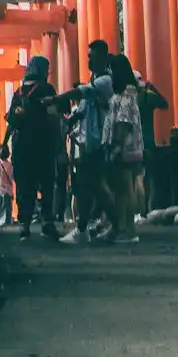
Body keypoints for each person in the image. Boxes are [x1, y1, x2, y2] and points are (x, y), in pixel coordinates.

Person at [5, 55, 64, 240]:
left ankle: (24, 224)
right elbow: (53, 117)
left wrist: (3, 143)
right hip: (43, 144)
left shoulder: (19, 92)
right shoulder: (46, 89)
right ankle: (47, 222)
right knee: (46, 182)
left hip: (21, 145)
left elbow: (11, 121)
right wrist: (60, 144)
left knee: (24, 184)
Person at [65, 37, 116, 243]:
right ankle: (107, 225)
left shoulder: (105, 81)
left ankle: (87, 227)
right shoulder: (95, 78)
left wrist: (56, 99)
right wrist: (73, 119)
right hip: (91, 142)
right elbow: (84, 107)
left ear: (103, 58)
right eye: (88, 56)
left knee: (91, 185)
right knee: (93, 185)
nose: (89, 60)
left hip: (100, 142)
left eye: (92, 57)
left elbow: (82, 93)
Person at [102, 51, 147, 240]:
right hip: (126, 146)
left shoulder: (127, 93)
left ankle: (127, 229)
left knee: (124, 189)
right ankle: (122, 228)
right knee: (122, 188)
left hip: (124, 147)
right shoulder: (125, 93)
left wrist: (116, 145)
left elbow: (123, 122)